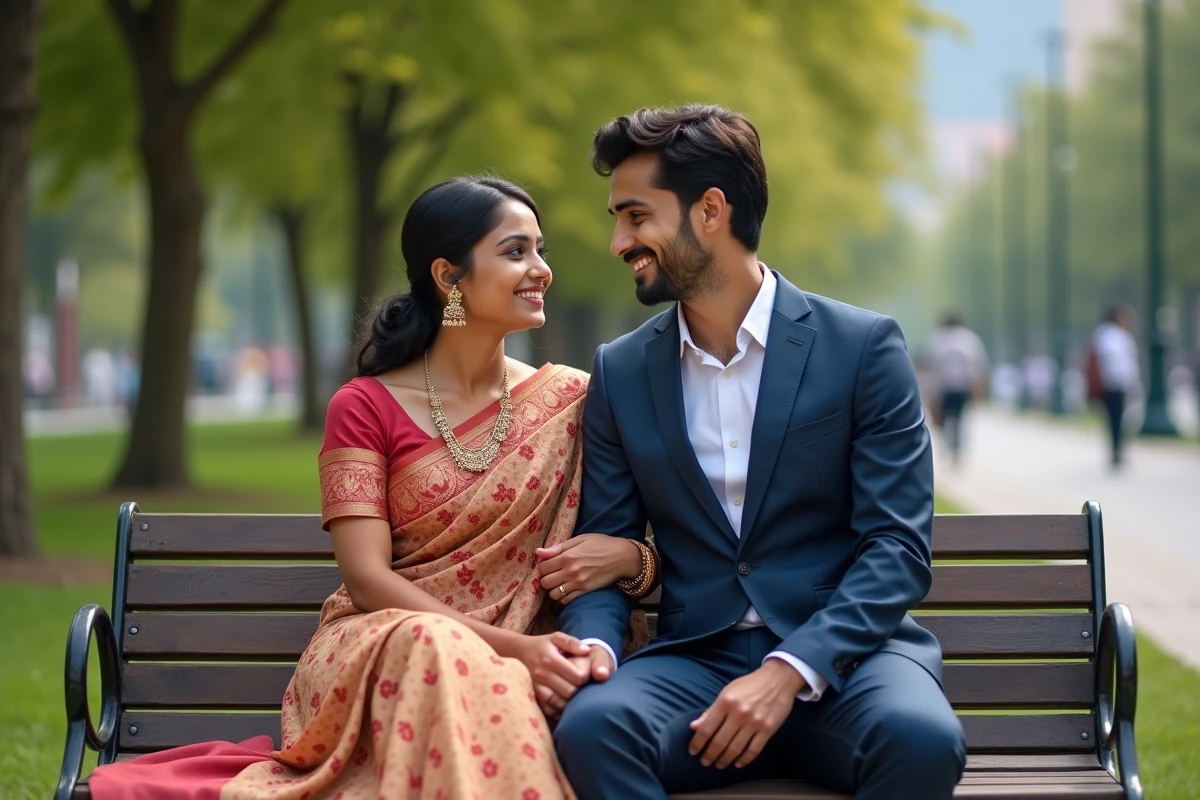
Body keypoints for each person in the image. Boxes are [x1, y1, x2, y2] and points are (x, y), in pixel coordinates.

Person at [87, 177, 659, 800]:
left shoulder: (572, 401)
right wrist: (517, 650)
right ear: (449, 276)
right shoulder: (363, 407)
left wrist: (631, 563)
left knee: (456, 658)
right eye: (516, 251)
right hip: (386, 642)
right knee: (434, 644)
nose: (542, 270)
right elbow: (367, 580)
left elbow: (637, 535)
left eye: (539, 250)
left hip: (521, 653)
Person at [544, 105, 966, 800]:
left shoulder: (863, 349)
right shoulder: (620, 370)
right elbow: (603, 545)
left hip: (848, 666)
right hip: (694, 664)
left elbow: (896, 547)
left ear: (710, 209)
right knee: (593, 729)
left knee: (921, 739)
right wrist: (595, 651)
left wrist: (790, 668)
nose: (619, 240)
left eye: (636, 215)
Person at [927, 312, 989, 466]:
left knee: (943, 419)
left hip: (943, 387)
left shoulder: (937, 339)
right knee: (960, 419)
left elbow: (932, 368)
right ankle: (956, 450)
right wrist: (979, 388)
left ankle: (947, 446)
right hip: (963, 386)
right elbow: (978, 365)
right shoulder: (970, 339)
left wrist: (930, 393)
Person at [1087, 304, 1141, 467]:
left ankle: (1117, 450)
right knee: (1117, 419)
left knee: (1115, 420)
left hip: (1114, 384)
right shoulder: (1112, 336)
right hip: (1114, 385)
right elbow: (1116, 363)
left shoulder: (1105, 335)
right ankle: (1117, 451)